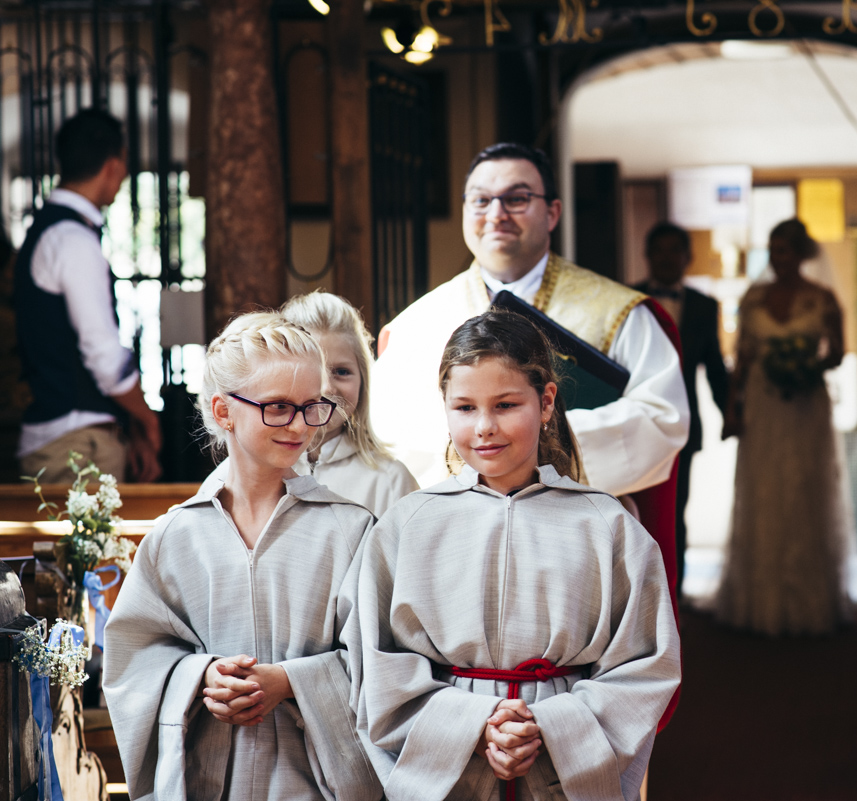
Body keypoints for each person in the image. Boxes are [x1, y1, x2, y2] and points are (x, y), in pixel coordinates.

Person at [348, 310, 681, 800]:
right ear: (443, 406)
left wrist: (550, 727)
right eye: (464, 408)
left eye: (505, 404)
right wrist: (474, 727)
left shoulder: (607, 526)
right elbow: (376, 666)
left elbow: (645, 666)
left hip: (565, 761)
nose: (484, 427)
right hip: (452, 764)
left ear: (546, 402)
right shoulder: (408, 525)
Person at [372, 142, 689, 596]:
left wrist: (529, 451)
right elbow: (387, 432)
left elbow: (663, 419)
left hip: (576, 537)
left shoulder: (619, 314)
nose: (496, 212)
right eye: (481, 200)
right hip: (453, 538)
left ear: (553, 213)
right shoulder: (418, 322)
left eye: (516, 198)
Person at [103, 312, 381, 801]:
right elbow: (135, 660)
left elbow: (382, 663)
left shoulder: (350, 529)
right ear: (224, 410)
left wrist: (289, 681)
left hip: (312, 787)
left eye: (311, 405)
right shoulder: (176, 535)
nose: (298, 424)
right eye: (277, 407)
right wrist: (200, 676)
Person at [716, 219, 853, 636]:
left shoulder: (823, 298)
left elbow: (838, 354)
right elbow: (741, 356)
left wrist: (805, 365)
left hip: (805, 405)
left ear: (802, 253)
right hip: (762, 405)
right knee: (764, 491)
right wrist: (732, 408)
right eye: (773, 251)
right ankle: (761, 602)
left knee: (803, 491)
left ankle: (808, 603)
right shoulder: (754, 297)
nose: (779, 259)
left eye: (786, 250)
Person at [14, 108, 160, 483]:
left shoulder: (52, 231)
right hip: (74, 446)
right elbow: (103, 356)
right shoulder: (72, 239)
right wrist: (146, 417)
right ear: (113, 165)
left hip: (67, 436)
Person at [632, 222, 729, 593]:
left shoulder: (705, 306)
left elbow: (714, 367)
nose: (667, 257)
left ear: (687, 257)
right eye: (660, 249)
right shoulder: (629, 297)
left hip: (683, 426)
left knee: (676, 511)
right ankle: (635, 594)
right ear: (648, 256)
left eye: (676, 250)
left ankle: (676, 595)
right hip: (636, 424)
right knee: (635, 512)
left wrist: (729, 414)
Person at [280, 290, 418, 516]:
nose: (327, 388)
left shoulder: (391, 480)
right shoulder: (255, 471)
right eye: (313, 370)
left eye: (342, 372)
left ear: (363, 379)